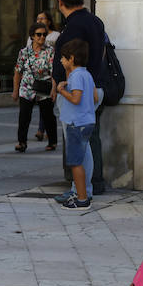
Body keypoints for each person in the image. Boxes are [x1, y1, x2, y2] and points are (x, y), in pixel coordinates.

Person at [51, 0, 107, 195]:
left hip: (77, 92)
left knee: (77, 147)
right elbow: (100, 54)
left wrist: (60, 86)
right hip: (93, 87)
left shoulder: (73, 26)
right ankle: (89, 186)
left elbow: (71, 62)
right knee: (87, 144)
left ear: (60, 2)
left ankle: (80, 191)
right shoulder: (96, 22)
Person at [55, 40, 97, 210]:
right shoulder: (86, 74)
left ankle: (81, 199)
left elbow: (76, 98)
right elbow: (94, 97)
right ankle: (84, 194)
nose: (61, 61)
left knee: (75, 162)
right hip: (87, 121)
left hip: (75, 123)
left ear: (71, 58)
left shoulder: (77, 76)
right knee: (84, 158)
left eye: (63, 59)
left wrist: (61, 90)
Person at [13, 22, 57, 153]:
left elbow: (53, 72)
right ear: (32, 36)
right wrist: (15, 90)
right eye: (39, 35)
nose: (42, 37)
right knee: (24, 116)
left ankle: (52, 141)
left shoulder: (50, 51)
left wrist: (54, 89)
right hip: (27, 87)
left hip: (44, 87)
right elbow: (18, 71)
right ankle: (22, 142)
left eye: (44, 34)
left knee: (48, 115)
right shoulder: (24, 52)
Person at [31, 10, 60, 142]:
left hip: (49, 76)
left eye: (42, 19)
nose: (40, 21)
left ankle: (43, 130)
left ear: (49, 21)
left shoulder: (56, 35)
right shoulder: (31, 37)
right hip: (35, 76)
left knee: (46, 105)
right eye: (38, 19)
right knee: (43, 106)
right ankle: (44, 130)